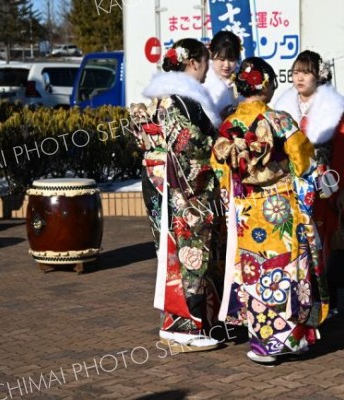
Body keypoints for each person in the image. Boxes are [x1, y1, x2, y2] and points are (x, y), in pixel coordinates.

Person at [212, 57, 326, 364]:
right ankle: (292, 338)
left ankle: (265, 342)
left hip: (248, 211)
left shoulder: (228, 125)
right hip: (282, 206)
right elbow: (304, 160)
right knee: (288, 268)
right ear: (266, 85)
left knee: (256, 270)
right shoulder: (280, 120)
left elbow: (220, 168)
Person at [129, 39, 223, 350]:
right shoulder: (177, 99)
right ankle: (186, 323)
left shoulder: (173, 96)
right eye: (206, 62)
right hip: (181, 184)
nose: (208, 69)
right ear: (193, 62)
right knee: (189, 251)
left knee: (174, 254)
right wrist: (222, 148)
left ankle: (178, 321)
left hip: (167, 181)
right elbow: (189, 144)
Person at [275, 50, 344, 317]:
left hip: (325, 185)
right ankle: (301, 296)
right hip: (291, 184)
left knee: (324, 241)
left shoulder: (333, 109)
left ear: (319, 75)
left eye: (306, 72)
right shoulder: (283, 107)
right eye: (296, 72)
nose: (299, 77)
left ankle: (328, 299)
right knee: (296, 240)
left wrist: (340, 189)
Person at [204, 30, 242, 120]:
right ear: (211, 54)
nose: (226, 65)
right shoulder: (203, 78)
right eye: (221, 59)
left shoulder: (242, 78)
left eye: (231, 59)